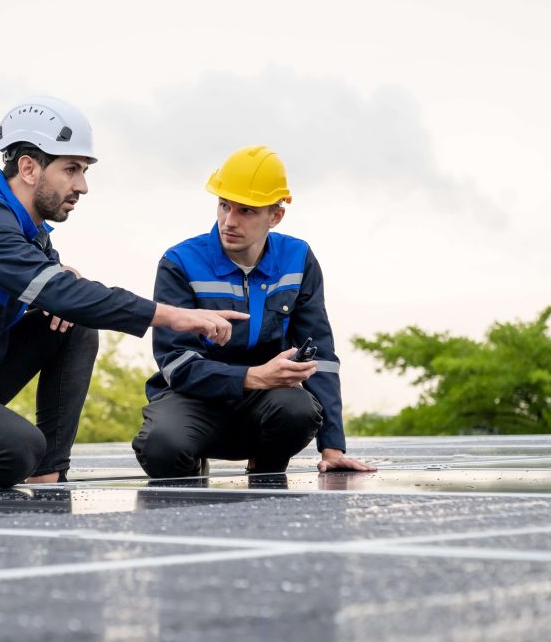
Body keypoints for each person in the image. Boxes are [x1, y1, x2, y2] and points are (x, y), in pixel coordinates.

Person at [0, 96, 246, 493]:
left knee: (73, 327)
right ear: (29, 167)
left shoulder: (27, 232)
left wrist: (58, 285)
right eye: (71, 169)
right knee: (17, 448)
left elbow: (59, 292)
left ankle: (48, 472)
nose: (82, 186)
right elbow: (61, 290)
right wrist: (175, 315)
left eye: (84, 170)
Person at [132, 145, 376, 477]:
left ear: (275, 216)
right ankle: (190, 462)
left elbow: (320, 353)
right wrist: (251, 376)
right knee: (161, 445)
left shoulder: (297, 259)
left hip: (266, 404)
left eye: (246, 211)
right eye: (224, 205)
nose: (229, 221)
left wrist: (332, 447)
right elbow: (176, 362)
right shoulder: (180, 262)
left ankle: (265, 470)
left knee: (299, 410)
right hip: (193, 400)